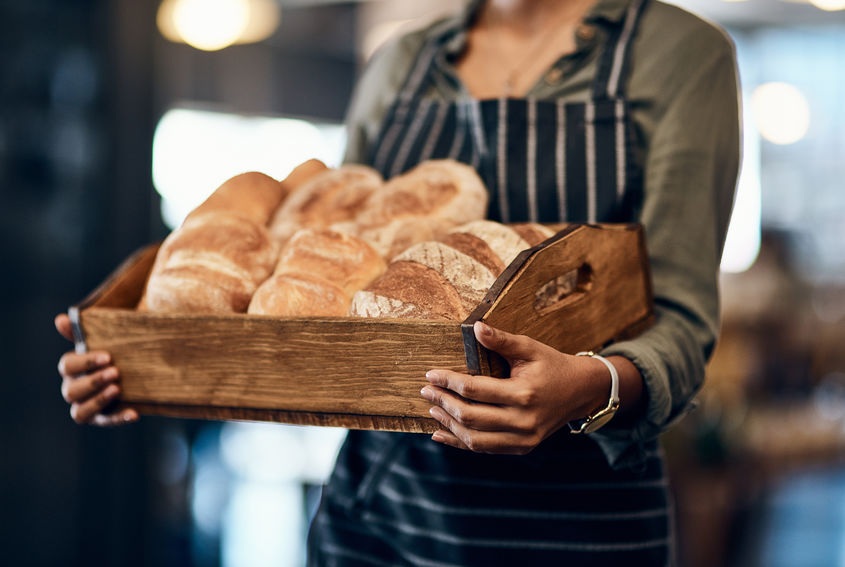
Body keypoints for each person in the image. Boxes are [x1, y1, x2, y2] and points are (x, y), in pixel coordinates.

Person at [56, 0, 740, 564]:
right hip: (379, 514)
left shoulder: (676, 54)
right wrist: (155, 361)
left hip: (573, 522)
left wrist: (585, 386)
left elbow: (678, 322)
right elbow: (336, 281)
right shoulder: (401, 64)